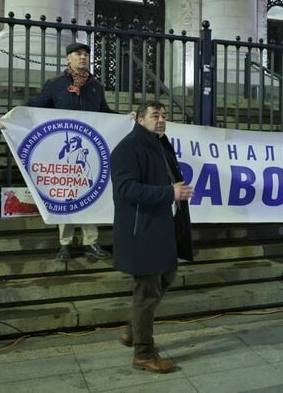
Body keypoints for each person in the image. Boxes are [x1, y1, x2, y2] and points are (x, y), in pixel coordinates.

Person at [110, 101, 194, 374]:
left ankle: (134, 329)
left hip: (160, 226)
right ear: (139, 119)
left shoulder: (158, 143)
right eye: (155, 115)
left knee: (167, 275)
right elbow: (126, 189)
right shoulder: (128, 148)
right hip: (141, 230)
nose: (161, 120)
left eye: (164, 115)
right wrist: (170, 193)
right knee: (147, 291)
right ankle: (144, 354)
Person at [26, 42, 115, 262]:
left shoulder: (95, 87)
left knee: (89, 192)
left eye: (86, 54)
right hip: (62, 150)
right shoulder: (55, 84)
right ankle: (65, 243)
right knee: (65, 194)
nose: (83, 57)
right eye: (78, 54)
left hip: (89, 151)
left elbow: (105, 113)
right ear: (68, 59)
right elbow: (36, 105)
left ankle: (91, 241)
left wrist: (127, 118)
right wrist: (12, 117)